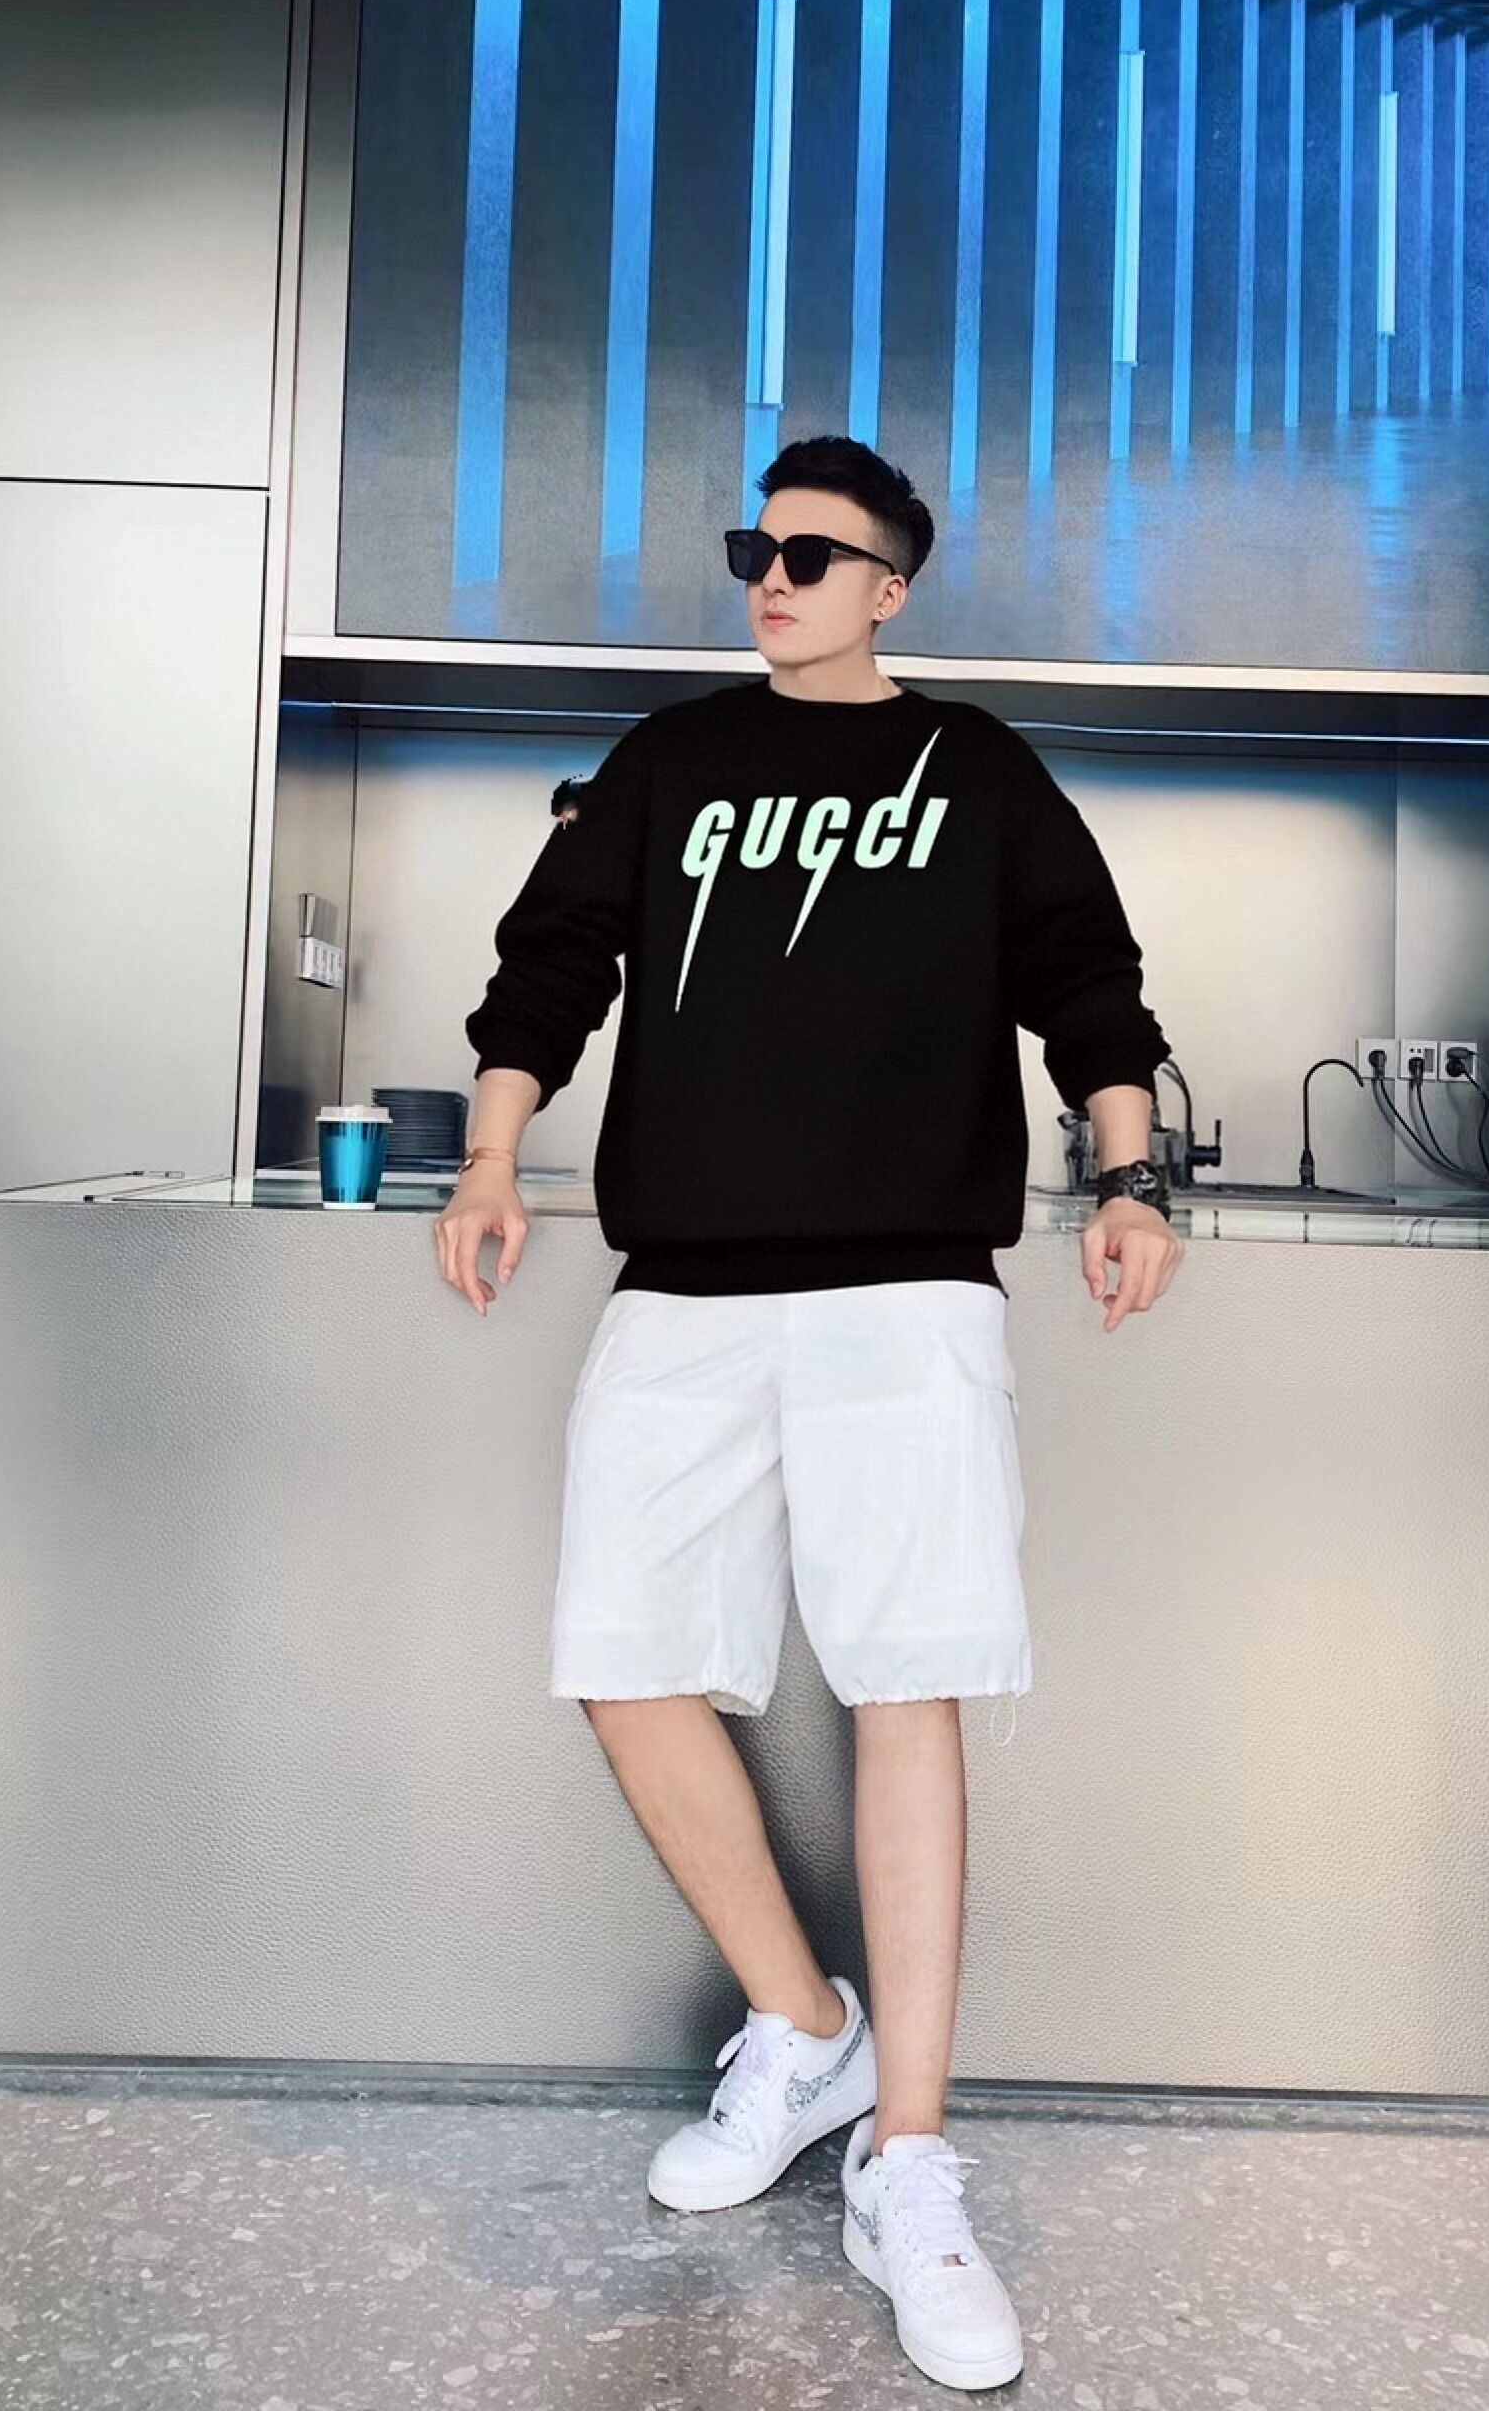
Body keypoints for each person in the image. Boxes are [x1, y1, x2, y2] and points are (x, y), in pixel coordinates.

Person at [435, 435, 1181, 2393]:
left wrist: (1129, 1179)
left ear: (891, 584)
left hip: (908, 1293)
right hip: (683, 1291)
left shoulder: (974, 770)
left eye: (813, 554)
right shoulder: (673, 760)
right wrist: (493, 1155)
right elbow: (547, 965)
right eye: (754, 549)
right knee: (623, 1662)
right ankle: (804, 2023)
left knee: (904, 1687)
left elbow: (1088, 984)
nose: (772, 578)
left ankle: (908, 2160)